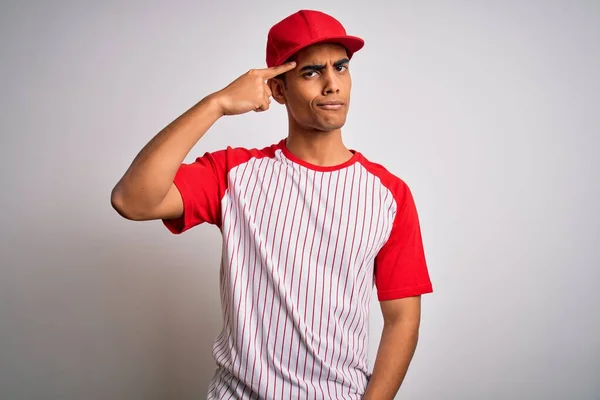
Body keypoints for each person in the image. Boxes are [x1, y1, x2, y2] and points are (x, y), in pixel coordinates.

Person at [111, 9, 433, 400]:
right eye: (311, 72)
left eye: (341, 67)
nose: (332, 84)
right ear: (278, 90)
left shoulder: (389, 193)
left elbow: (402, 320)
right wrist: (216, 104)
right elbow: (132, 199)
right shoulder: (233, 173)